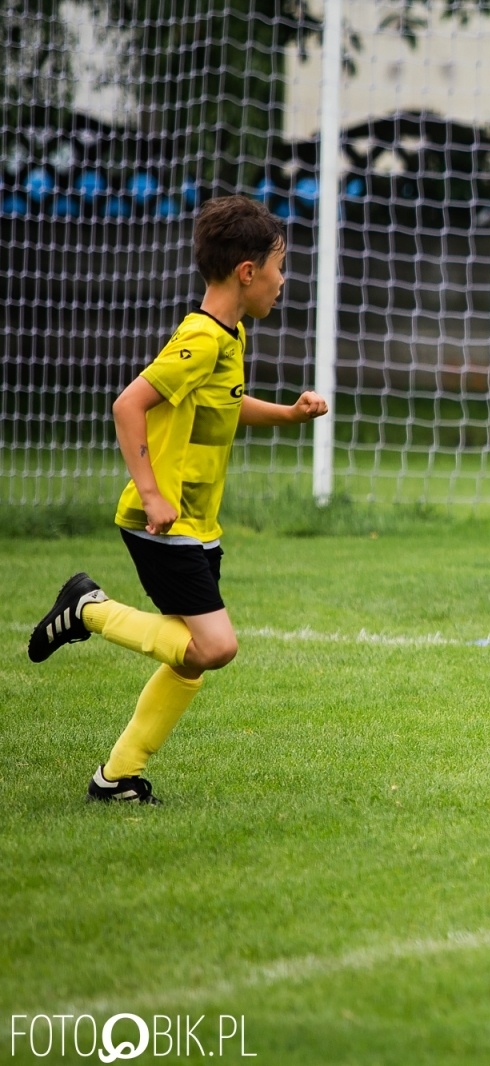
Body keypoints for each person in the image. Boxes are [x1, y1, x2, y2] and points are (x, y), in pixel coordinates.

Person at [27, 195, 328, 804]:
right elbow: (128, 405)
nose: (283, 280)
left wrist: (289, 415)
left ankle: (115, 779)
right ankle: (87, 608)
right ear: (248, 272)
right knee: (216, 647)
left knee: (189, 660)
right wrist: (151, 493)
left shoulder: (230, 334)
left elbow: (225, 403)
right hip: (162, 523)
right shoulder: (201, 337)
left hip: (197, 524)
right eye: (280, 267)